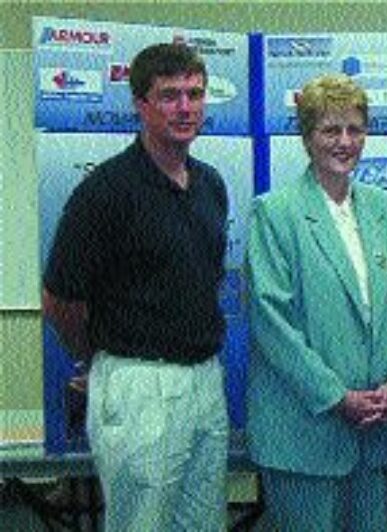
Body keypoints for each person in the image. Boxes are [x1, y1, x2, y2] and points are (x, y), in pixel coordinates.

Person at [42, 43, 230, 531]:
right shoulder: (103, 192)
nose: (185, 107)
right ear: (140, 105)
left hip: (205, 380)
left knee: (204, 523)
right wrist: (99, 355)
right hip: (138, 385)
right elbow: (59, 297)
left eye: (195, 94)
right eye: (170, 96)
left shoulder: (210, 184)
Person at [245, 74, 387, 531]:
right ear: (306, 138)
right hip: (303, 435)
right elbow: (271, 321)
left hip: (374, 434)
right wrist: (337, 397)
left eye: (355, 129)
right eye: (330, 130)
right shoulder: (275, 213)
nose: (344, 142)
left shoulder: (385, 211)